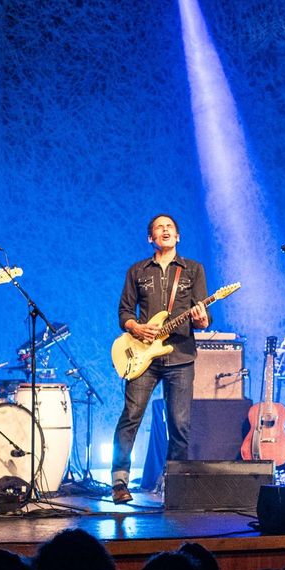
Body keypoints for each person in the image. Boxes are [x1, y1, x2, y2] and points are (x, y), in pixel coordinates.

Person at [109, 214, 209, 504]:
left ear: (178, 237)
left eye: (170, 228)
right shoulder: (137, 271)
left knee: (180, 423)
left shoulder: (193, 270)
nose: (165, 230)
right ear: (150, 238)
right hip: (143, 356)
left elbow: (203, 314)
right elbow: (124, 313)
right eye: (158, 228)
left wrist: (202, 320)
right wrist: (136, 327)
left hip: (180, 355)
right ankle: (119, 482)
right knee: (131, 417)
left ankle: (173, 484)